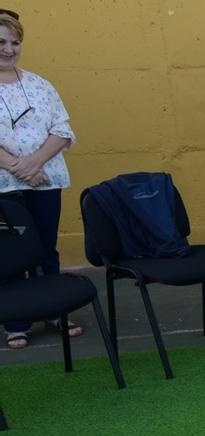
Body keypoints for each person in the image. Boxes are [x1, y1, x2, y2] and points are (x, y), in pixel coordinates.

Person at [0, 9, 79, 350]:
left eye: (15, 42)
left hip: (45, 180)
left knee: (47, 248)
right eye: (1, 42)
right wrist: (19, 168)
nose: (9, 49)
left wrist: (34, 164)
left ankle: (55, 311)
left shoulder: (39, 84)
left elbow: (62, 129)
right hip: (5, 185)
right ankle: (16, 319)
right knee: (10, 254)